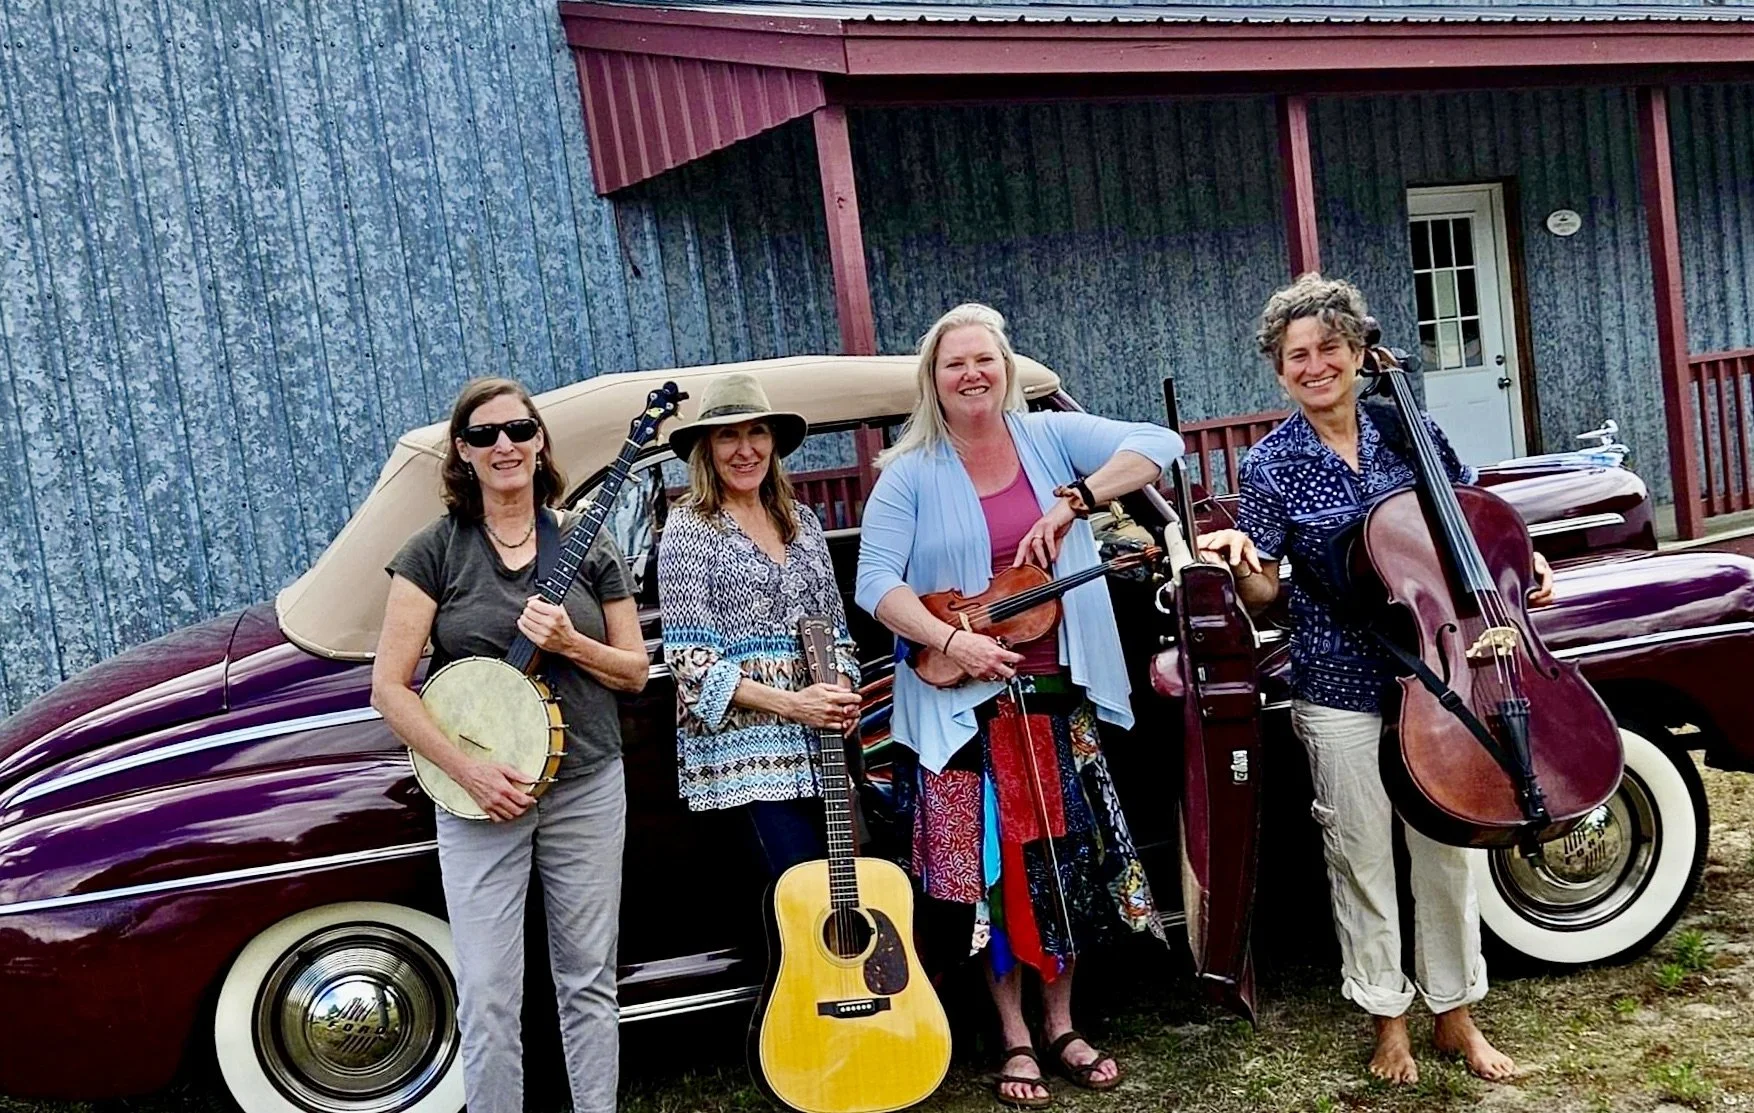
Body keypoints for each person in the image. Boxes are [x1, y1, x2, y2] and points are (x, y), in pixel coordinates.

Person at [1197, 274, 1552, 1085]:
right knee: (1360, 851)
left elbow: (1471, 519)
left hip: (1442, 669)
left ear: (1360, 352)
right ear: (1278, 371)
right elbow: (1267, 592)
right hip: (1339, 680)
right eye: (1296, 356)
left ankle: (1456, 1014)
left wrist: (1524, 560)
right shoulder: (1271, 464)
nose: (1314, 365)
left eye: (1329, 347)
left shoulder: (1408, 429)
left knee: (1450, 846)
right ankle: (1386, 1018)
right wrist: (1246, 568)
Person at [854, 303, 1182, 1109]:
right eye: (954, 363)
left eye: (986, 359)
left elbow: (1160, 446)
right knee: (992, 880)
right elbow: (875, 584)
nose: (973, 374)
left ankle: (1064, 1022)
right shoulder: (910, 473)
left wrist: (1076, 500)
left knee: (1061, 869)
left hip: (1052, 698)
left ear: (1005, 368)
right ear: (932, 380)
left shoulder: (1048, 438)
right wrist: (953, 639)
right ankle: (1014, 1036)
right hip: (962, 708)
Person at [371, 377, 649, 1113]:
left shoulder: (588, 543)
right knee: (490, 988)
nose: (506, 445)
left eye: (520, 430)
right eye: (486, 434)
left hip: (586, 781)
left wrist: (571, 642)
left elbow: (635, 670)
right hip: (477, 797)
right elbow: (390, 687)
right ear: (462, 450)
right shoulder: (434, 551)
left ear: (540, 443)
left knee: (588, 975)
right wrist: (468, 769)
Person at [657, 372, 862, 876]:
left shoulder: (803, 522)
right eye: (729, 435)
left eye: (758, 433)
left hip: (824, 751)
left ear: (774, 443)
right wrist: (796, 704)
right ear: (707, 447)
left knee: (849, 890)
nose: (745, 450)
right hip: (746, 758)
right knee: (799, 895)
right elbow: (691, 664)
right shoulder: (690, 527)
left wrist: (842, 693)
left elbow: (837, 632)